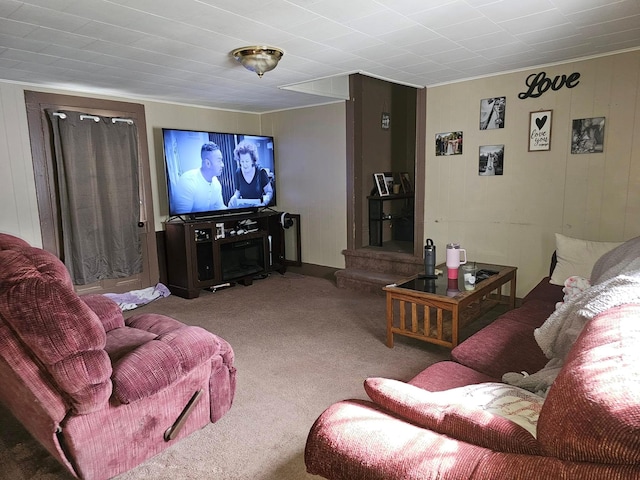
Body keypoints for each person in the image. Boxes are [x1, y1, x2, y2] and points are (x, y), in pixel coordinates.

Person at [173, 142, 227, 213]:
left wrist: (234, 210)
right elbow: (181, 217)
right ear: (208, 163)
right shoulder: (188, 181)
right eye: (219, 161)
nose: (222, 165)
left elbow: (219, 207)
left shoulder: (216, 183)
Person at [228, 140, 273, 207]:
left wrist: (264, 203)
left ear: (252, 160)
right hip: (244, 210)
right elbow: (238, 191)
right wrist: (234, 198)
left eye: (247, 161)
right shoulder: (238, 172)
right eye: (242, 161)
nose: (244, 164)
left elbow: (269, 192)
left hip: (259, 210)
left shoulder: (261, 172)